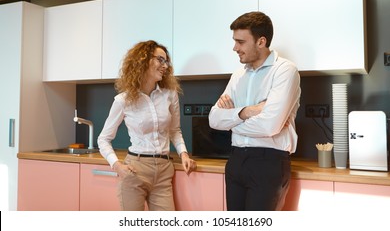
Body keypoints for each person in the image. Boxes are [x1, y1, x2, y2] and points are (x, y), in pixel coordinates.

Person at [209, 11, 301, 211]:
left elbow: (270, 125)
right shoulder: (238, 75)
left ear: (261, 41)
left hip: (268, 163)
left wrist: (231, 122)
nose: (235, 48)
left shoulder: (285, 70)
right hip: (236, 161)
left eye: (240, 42)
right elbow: (214, 119)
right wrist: (248, 112)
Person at [98, 40, 197, 211]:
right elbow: (103, 139)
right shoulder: (123, 99)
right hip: (135, 170)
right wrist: (117, 166)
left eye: (166, 61)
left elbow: (174, 131)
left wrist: (184, 154)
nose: (165, 65)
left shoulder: (170, 95)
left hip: (164, 170)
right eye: (160, 60)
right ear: (143, 60)